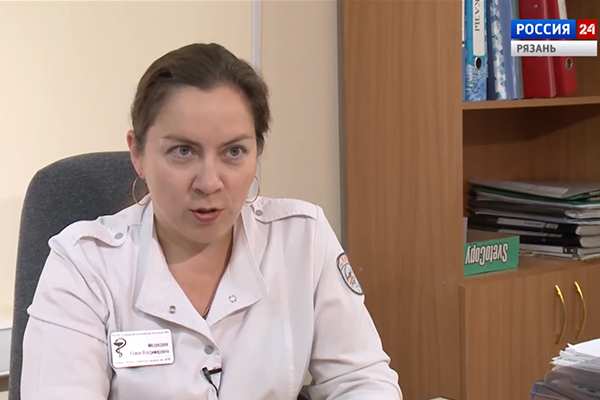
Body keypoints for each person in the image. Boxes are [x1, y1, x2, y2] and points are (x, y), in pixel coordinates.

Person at [20, 43, 402, 400]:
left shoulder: (302, 238)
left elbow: (362, 379)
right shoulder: (84, 264)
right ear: (137, 153)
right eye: (183, 151)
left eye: (234, 151)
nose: (209, 182)